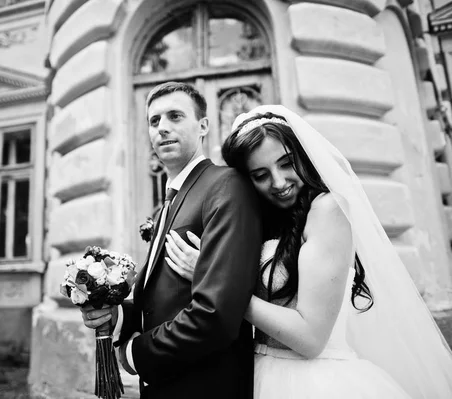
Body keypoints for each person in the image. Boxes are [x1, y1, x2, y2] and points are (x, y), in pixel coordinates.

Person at [164, 104, 452, 398]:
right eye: (261, 175)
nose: (278, 182)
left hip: (313, 381)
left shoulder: (327, 210)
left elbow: (310, 337)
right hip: (255, 375)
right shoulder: (268, 221)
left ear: (304, 157)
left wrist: (214, 282)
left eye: (287, 163)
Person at [80, 82, 263, 399]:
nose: (162, 128)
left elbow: (216, 315)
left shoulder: (225, 186)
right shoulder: (168, 203)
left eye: (175, 116)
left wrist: (136, 353)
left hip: (207, 386)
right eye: (154, 121)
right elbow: (161, 300)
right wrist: (115, 315)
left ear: (203, 125)